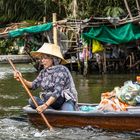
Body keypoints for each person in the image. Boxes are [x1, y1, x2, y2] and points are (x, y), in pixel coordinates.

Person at [14, 43, 78, 113]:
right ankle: (51, 110)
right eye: (41, 58)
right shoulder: (43, 72)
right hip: (49, 101)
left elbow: (57, 92)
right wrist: (21, 79)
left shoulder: (61, 70)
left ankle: (49, 110)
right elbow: (33, 86)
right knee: (32, 100)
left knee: (68, 113)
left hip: (63, 100)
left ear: (53, 59)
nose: (42, 61)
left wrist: (44, 106)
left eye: (45, 58)